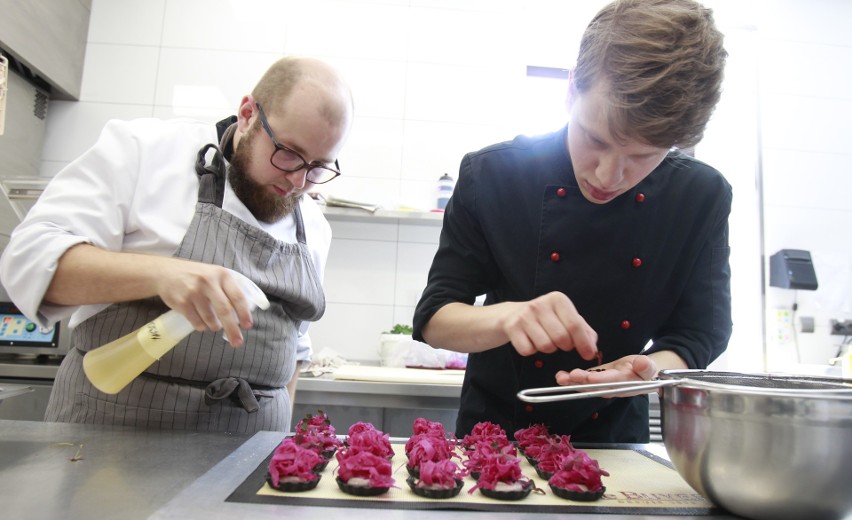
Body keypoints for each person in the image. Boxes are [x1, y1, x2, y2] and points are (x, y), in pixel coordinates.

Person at [413, 0, 732, 443]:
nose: (607, 176)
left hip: (617, 444)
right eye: (594, 138)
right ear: (569, 92)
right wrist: (509, 318)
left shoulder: (701, 196)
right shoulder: (493, 174)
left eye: (642, 157)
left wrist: (646, 370)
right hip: (496, 439)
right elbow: (435, 318)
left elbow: (700, 332)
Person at [0, 56, 354, 432]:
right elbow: (29, 260)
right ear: (248, 113)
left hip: (242, 465)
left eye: (318, 167)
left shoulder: (313, 227)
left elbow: (293, 352)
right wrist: (161, 274)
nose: (298, 182)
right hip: (105, 453)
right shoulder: (146, 152)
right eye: (288, 153)